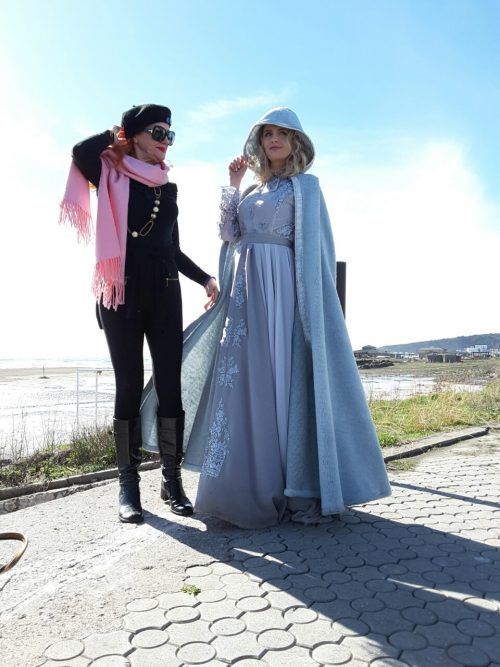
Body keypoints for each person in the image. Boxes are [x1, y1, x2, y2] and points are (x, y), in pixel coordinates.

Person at [141, 106, 391, 529]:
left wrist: (312, 308)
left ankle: (295, 485)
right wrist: (233, 185)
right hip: (246, 294)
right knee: (246, 381)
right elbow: (229, 235)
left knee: (283, 380)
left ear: (295, 142)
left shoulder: (306, 187)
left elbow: (317, 251)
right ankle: (247, 485)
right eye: (267, 133)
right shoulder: (251, 190)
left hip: (285, 293)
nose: (274, 139)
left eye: (282, 134)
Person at [59, 104, 219, 524]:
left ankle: (171, 481)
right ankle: (128, 486)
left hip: (165, 292)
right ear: (133, 136)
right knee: (128, 384)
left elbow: (172, 247)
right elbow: (80, 151)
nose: (166, 141)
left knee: (170, 386)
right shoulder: (109, 172)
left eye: (170, 134)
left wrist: (204, 278)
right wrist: (117, 137)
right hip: (121, 294)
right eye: (157, 132)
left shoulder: (168, 188)